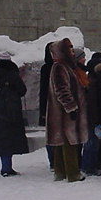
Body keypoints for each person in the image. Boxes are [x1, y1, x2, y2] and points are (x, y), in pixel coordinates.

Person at [47, 38, 89, 182]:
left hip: (63, 112)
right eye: (69, 48)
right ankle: (73, 173)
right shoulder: (60, 67)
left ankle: (60, 172)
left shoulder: (65, 66)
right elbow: (62, 89)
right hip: (64, 113)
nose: (72, 51)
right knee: (70, 142)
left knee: (62, 142)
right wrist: (71, 107)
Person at [0, 51, 29, 177]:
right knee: (12, 138)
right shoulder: (13, 74)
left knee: (2, 139)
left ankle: (5, 167)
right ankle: (8, 168)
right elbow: (22, 90)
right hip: (13, 112)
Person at [39, 42, 55, 170]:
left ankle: (54, 161)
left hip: (51, 105)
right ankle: (54, 161)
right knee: (52, 135)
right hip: (51, 105)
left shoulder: (47, 68)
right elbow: (44, 90)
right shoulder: (48, 68)